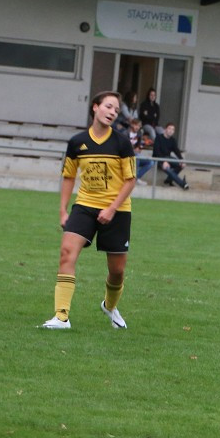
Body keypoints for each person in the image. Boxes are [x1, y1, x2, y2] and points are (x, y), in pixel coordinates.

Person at [41, 90, 136, 330]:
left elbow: (130, 180)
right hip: (84, 206)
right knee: (66, 253)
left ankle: (110, 306)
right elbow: (68, 176)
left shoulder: (122, 142)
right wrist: (63, 210)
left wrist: (112, 208)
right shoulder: (77, 142)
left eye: (116, 109)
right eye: (108, 106)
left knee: (117, 271)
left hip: (117, 210)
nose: (113, 112)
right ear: (95, 107)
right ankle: (61, 317)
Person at [151, 122, 190, 189]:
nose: (171, 131)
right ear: (165, 129)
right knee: (167, 168)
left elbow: (176, 151)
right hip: (158, 159)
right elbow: (156, 152)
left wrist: (182, 160)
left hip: (167, 159)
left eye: (173, 130)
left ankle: (168, 180)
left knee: (180, 165)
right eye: (169, 129)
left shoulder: (172, 140)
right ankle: (182, 184)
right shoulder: (159, 138)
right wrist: (163, 161)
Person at [128, 118, 154, 185]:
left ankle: (136, 178)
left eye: (139, 126)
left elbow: (138, 146)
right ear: (132, 125)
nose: (137, 127)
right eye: (136, 125)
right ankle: (134, 179)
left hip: (135, 155)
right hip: (126, 157)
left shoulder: (139, 134)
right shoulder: (125, 133)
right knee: (137, 157)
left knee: (150, 162)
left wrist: (139, 148)